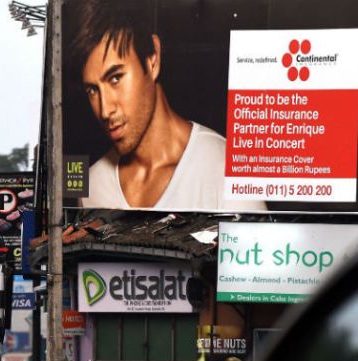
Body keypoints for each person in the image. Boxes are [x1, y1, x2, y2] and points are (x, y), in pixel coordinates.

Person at [67, 0, 266, 211]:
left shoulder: (223, 170)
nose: (105, 110)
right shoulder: (93, 186)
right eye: (92, 90)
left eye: (116, 78)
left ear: (152, 60)